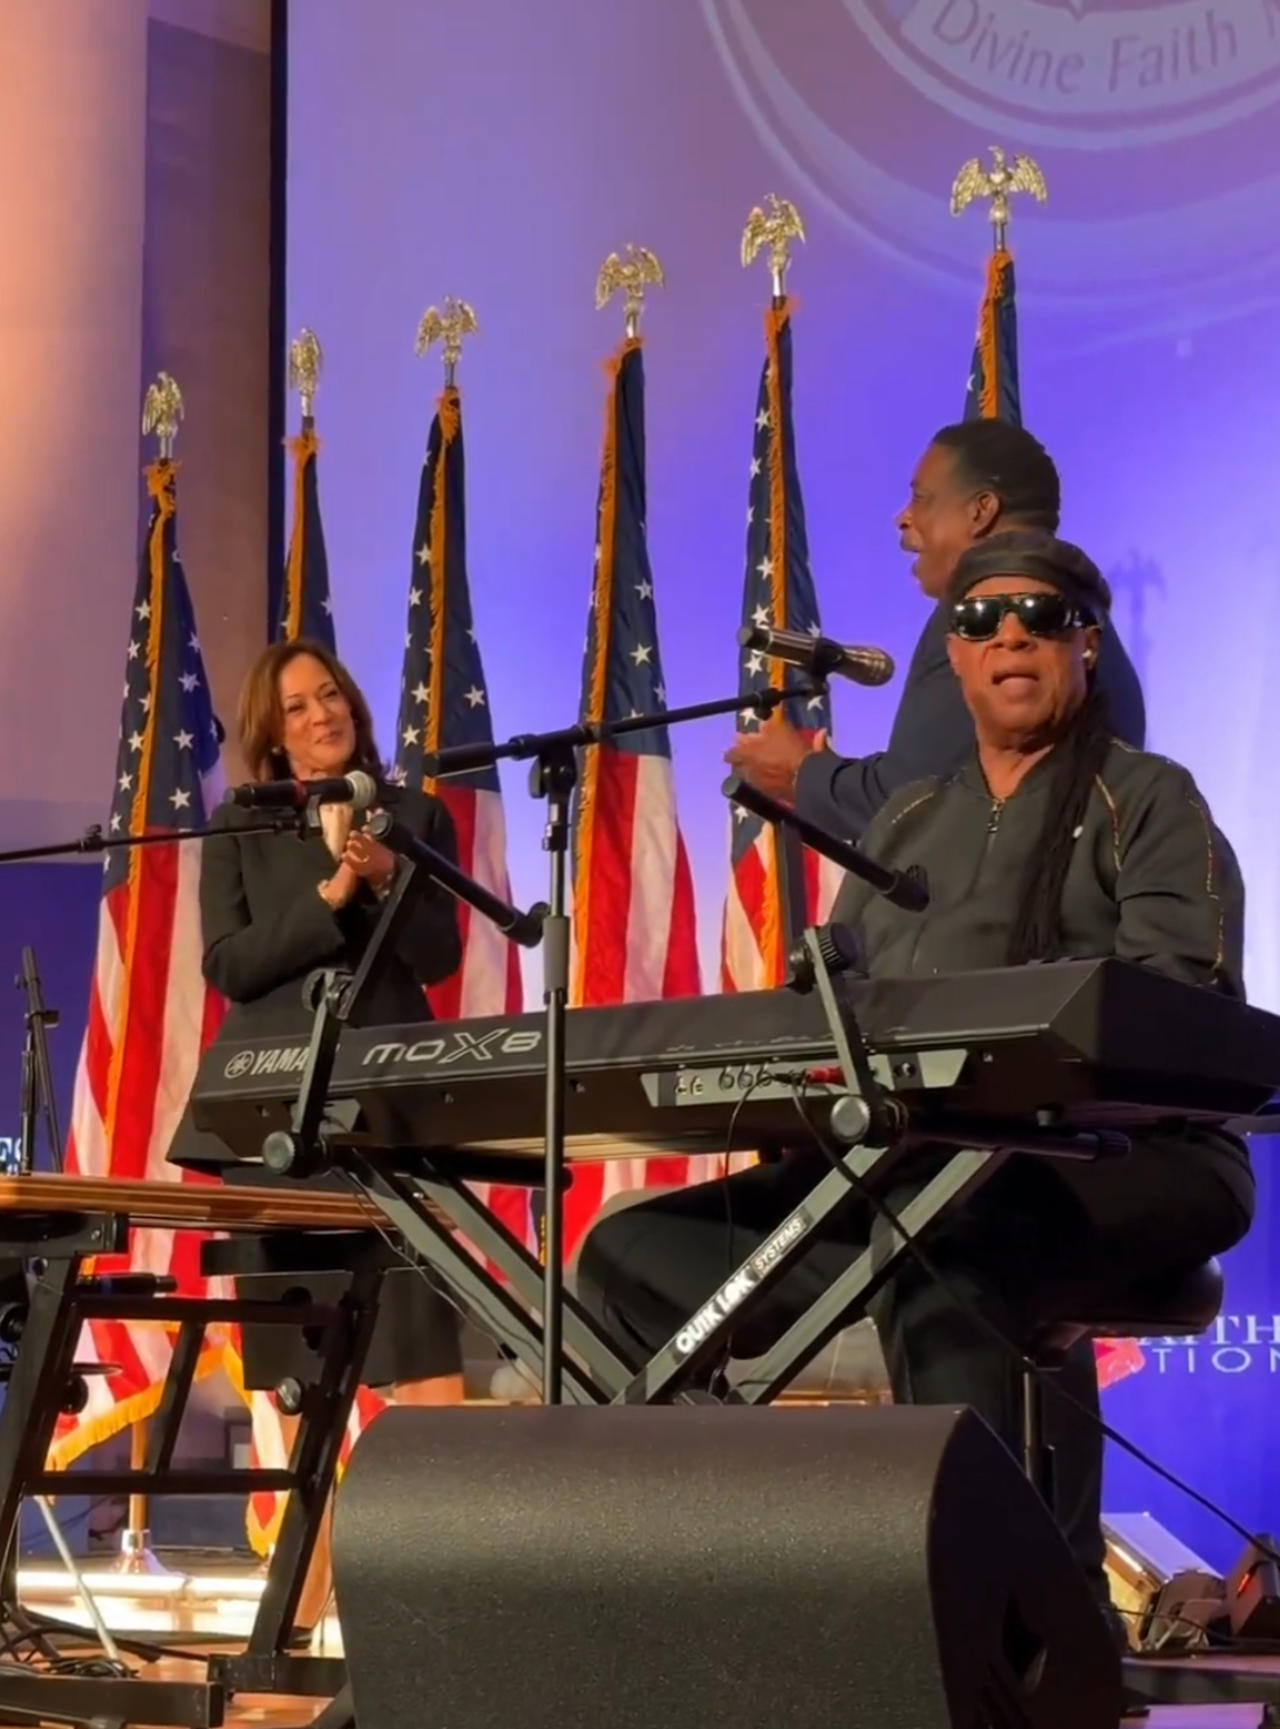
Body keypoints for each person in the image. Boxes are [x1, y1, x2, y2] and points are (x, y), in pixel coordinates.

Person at [578, 533, 1253, 1610]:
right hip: (912, 1171)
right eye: (979, 620)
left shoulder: (1151, 801)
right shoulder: (908, 818)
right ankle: (706, 1589)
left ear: (1084, 643)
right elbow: (831, 1004)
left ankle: (1015, 1639)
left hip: (1129, 1159)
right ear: (955, 656)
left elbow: (1173, 1012)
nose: (1009, 636)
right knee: (631, 1255)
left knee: (953, 1255)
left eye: (1039, 615)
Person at [194, 641, 465, 1626]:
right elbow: (228, 965)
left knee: (426, 1371)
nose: (320, 714)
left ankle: (429, 1610)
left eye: (331, 696)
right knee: (308, 1394)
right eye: (298, 706)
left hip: (389, 1116)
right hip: (275, 1121)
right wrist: (329, 900)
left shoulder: (417, 815)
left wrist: (389, 874)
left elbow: (438, 952)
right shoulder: (240, 825)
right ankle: (298, 1619)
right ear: (272, 733)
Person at [725, 419, 1147, 840]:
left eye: (921, 498)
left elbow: (914, 804)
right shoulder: (1084, 615)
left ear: (981, 511)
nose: (903, 518)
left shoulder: (978, 616)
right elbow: (952, 780)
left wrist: (801, 772)